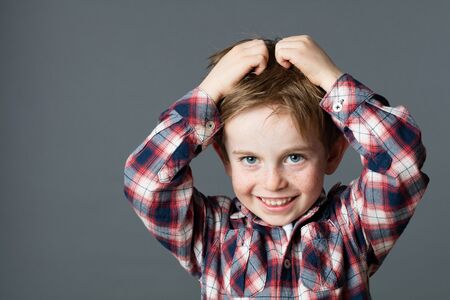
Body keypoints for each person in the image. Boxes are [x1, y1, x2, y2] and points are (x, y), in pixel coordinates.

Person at [123, 35, 429, 299]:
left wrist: (333, 81)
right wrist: (208, 91)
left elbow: (400, 159)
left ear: (333, 154)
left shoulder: (353, 228)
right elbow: (146, 181)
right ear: (226, 159)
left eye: (294, 157)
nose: (273, 182)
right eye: (250, 159)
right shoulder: (212, 235)